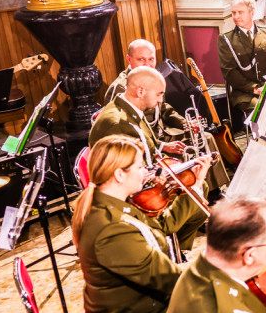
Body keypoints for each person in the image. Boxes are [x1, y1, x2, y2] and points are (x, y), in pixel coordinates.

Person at [73, 135, 202, 313]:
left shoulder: (114, 203)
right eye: (140, 166)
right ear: (119, 175)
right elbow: (170, 279)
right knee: (218, 305)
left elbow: (158, 231)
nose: (146, 172)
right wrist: (223, 264)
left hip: (136, 309)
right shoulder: (111, 229)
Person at [89, 67, 209, 250]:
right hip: (129, 197)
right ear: (140, 91)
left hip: (141, 176)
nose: (161, 99)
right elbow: (124, 176)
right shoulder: (118, 123)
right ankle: (165, 248)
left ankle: (177, 251)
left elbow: (147, 143)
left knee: (196, 186)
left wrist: (163, 151)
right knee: (195, 192)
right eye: (159, 94)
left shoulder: (131, 109)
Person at [107, 39, 229, 188]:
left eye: (151, 59)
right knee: (195, 146)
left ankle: (215, 189)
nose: (147, 64)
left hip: (161, 133)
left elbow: (164, 108)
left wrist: (186, 124)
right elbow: (129, 132)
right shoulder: (121, 88)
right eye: (141, 60)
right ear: (129, 59)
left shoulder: (153, 77)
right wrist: (163, 146)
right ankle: (194, 190)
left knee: (205, 137)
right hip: (146, 143)